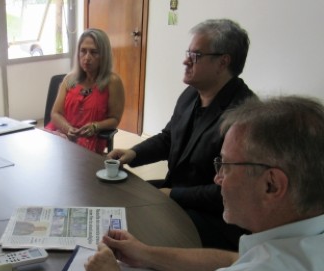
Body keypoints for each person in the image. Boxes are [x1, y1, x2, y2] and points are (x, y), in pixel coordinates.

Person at [85, 96, 324, 271]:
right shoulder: (301, 243)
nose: (218, 178)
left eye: (226, 166)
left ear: (271, 184)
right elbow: (235, 261)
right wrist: (145, 253)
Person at [108, 19, 255, 250]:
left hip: (212, 216)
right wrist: (133, 153)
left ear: (222, 62)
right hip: (178, 193)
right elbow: (169, 138)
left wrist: (174, 194)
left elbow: (229, 191)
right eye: (188, 52)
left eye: (195, 55)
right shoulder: (191, 94)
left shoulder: (245, 114)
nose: (186, 60)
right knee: (121, 197)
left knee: (136, 226)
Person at [45, 28, 125, 154]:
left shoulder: (113, 82)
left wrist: (96, 126)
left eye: (94, 52)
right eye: (83, 51)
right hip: (60, 133)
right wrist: (67, 129)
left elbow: (114, 119)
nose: (87, 57)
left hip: (88, 141)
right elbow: (55, 114)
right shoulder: (69, 79)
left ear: (104, 55)